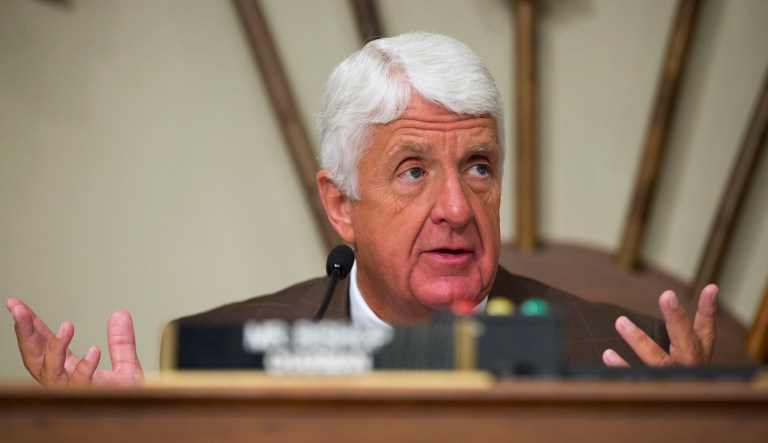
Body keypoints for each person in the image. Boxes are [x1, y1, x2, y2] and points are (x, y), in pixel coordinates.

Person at [5, 32, 717, 386]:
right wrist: (120, 435)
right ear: (340, 205)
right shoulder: (220, 357)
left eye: (479, 166)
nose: (457, 207)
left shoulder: (624, 356)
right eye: (413, 171)